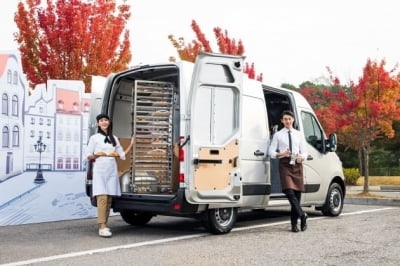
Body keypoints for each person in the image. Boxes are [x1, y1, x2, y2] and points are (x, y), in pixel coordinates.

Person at [87, 114, 134, 238]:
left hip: (111, 169)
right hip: (100, 170)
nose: (104, 122)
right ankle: (102, 227)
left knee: (108, 199)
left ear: (109, 122)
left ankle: (105, 224)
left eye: (106, 120)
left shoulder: (114, 138)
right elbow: (88, 154)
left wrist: (131, 144)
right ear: (98, 123)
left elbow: (121, 154)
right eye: (101, 120)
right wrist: (95, 155)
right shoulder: (94, 138)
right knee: (101, 197)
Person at [268, 110, 308, 233]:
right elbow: (271, 152)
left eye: (289, 119)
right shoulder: (278, 135)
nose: (287, 121)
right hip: (285, 164)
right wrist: (281, 154)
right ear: (282, 121)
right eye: (285, 119)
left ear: (293, 120)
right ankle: (302, 215)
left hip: (297, 165)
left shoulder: (299, 134)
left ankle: (295, 225)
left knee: (296, 197)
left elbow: (305, 152)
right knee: (289, 191)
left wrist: (302, 157)